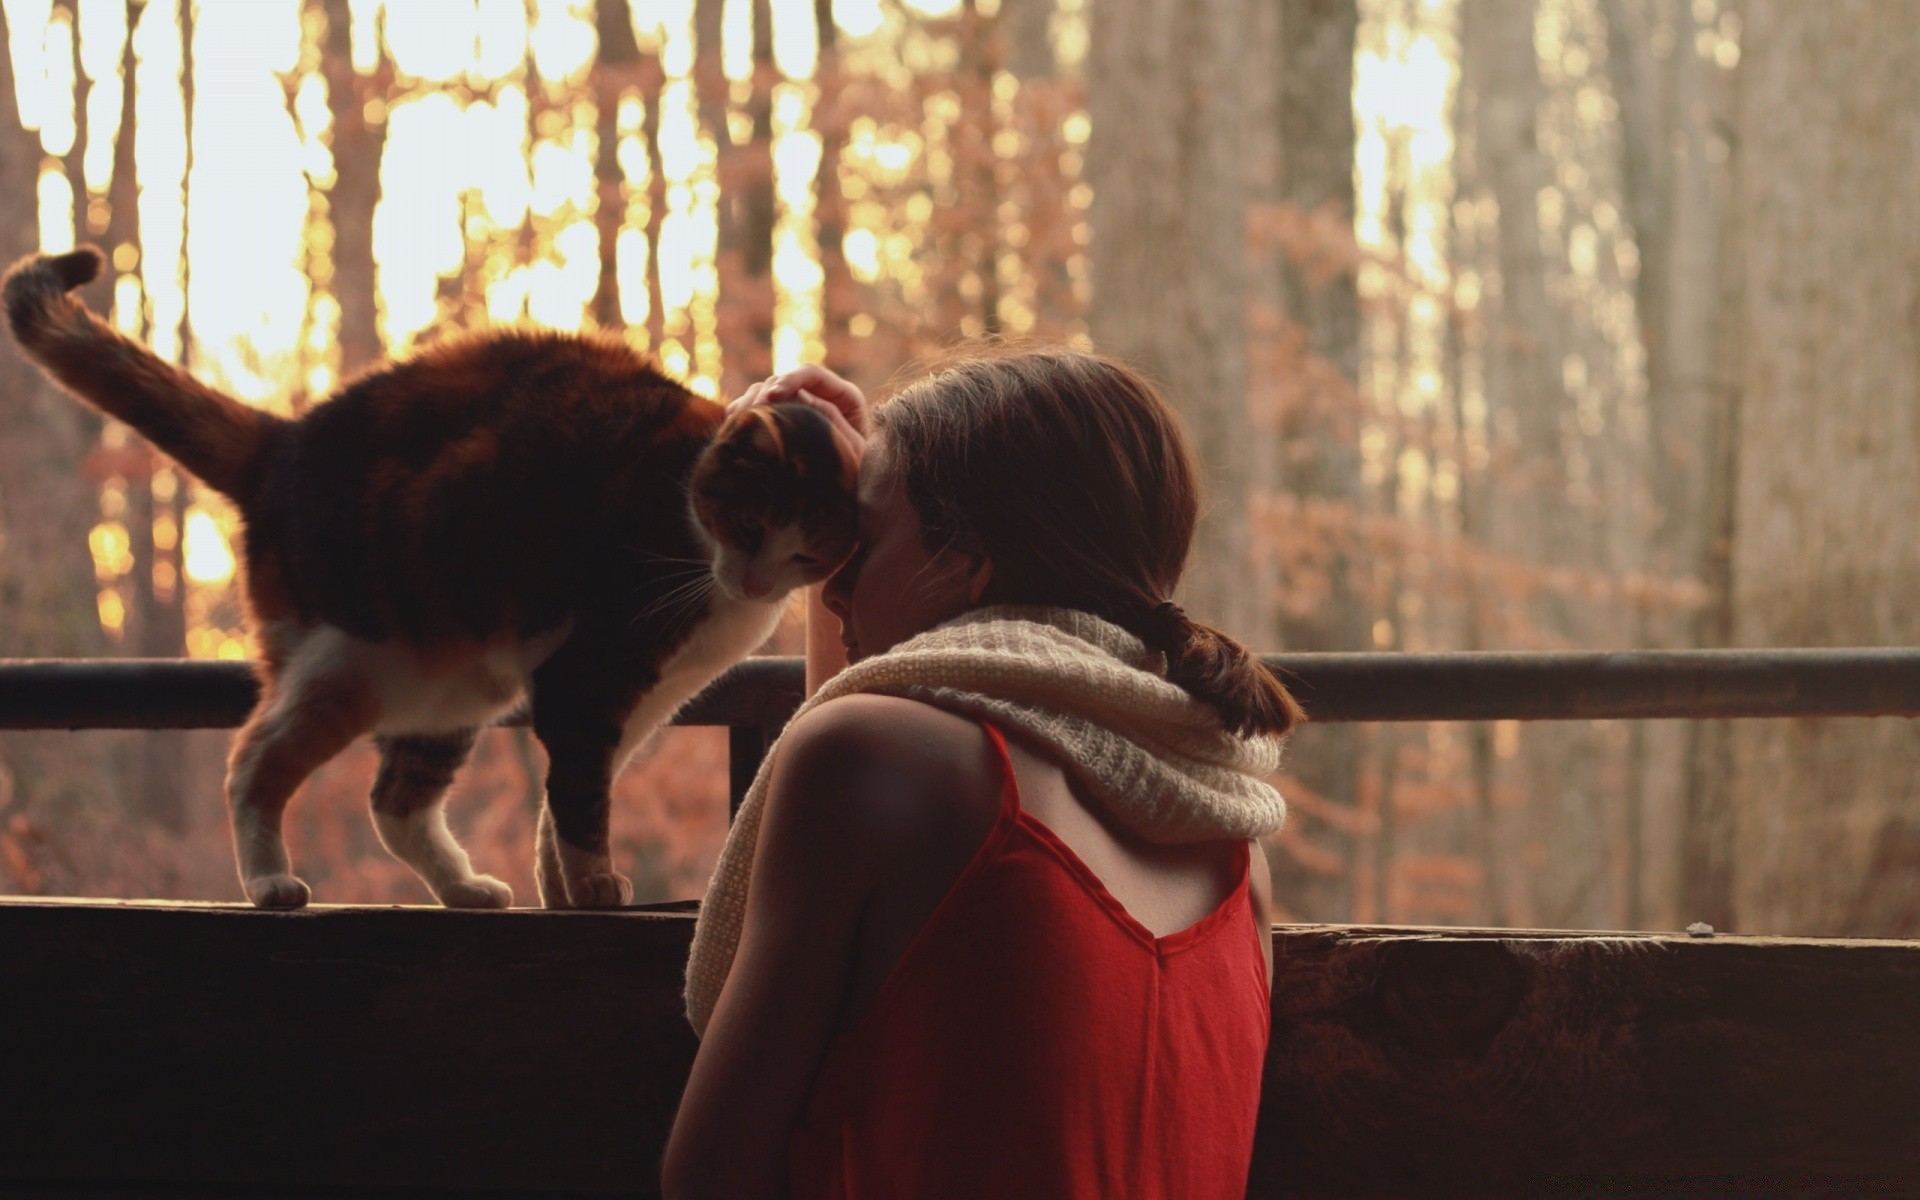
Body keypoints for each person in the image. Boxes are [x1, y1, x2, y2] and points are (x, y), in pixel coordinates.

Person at [662, 346, 1302, 1200]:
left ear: (968, 562)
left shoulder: (869, 765)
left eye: (861, 542)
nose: (836, 587)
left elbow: (709, 1179)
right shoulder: (1234, 852)